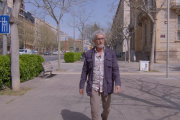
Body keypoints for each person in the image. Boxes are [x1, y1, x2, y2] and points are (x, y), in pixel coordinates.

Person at [79, 30, 121, 120]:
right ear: (94, 41)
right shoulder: (89, 54)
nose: (101, 41)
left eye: (102, 38)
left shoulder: (111, 53)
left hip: (107, 85)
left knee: (107, 109)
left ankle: (104, 116)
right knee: (94, 111)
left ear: (105, 39)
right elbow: (84, 71)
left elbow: (115, 70)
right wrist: (81, 85)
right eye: (98, 39)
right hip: (93, 86)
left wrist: (117, 83)